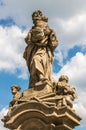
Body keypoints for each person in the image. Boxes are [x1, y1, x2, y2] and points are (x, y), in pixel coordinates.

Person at [23, 10, 58, 88]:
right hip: (34, 49)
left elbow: (54, 42)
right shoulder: (31, 30)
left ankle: (42, 77)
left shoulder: (46, 27)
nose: (35, 20)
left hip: (43, 50)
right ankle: (36, 82)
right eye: (34, 19)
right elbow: (27, 40)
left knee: (36, 59)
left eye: (37, 18)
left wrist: (50, 34)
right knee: (33, 66)